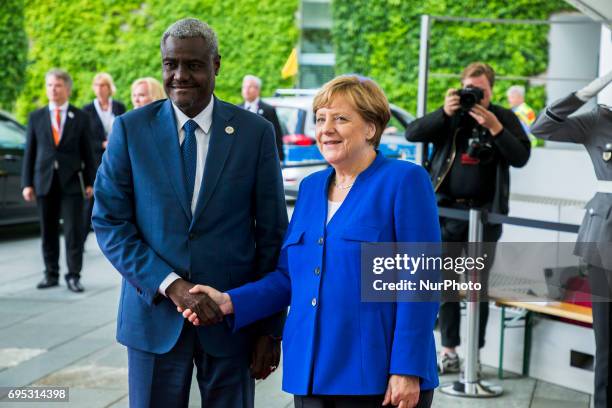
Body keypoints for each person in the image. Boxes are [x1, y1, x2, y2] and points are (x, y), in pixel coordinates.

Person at [182, 75, 441, 408]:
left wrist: (407, 368)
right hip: (310, 373)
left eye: (341, 118)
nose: (326, 128)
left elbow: (421, 280)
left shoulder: (404, 180)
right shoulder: (311, 188)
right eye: (321, 119)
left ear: (371, 128)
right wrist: (228, 302)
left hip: (376, 376)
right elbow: (289, 277)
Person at [92, 18, 287, 408]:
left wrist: (269, 327)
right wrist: (171, 285)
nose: (180, 75)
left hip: (231, 322)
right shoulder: (131, 130)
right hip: (153, 320)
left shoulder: (254, 132)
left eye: (194, 65)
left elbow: (271, 235)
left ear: (215, 65)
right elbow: (110, 222)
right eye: (171, 64)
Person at [405, 62, 530, 374]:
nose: (475, 96)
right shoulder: (452, 115)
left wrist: (495, 128)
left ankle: (474, 354)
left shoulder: (502, 117)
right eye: (469, 90)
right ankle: (448, 351)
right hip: (447, 213)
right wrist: (445, 113)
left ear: (491, 89)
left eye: (481, 91)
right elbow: (412, 132)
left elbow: (521, 157)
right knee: (445, 285)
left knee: (478, 287)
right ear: (459, 89)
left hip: (485, 216)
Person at [531, 70, 612, 408]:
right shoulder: (599, 120)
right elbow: (541, 128)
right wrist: (586, 92)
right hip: (604, 239)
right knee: (607, 342)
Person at [21, 68, 96, 293]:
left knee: (73, 231)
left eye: (58, 85)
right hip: (44, 181)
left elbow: (88, 152)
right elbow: (30, 153)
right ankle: (50, 274)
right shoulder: (36, 117)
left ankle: (73, 275)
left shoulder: (81, 117)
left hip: (71, 183)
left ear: (67, 89)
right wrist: (27, 183)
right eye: (50, 85)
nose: (53, 89)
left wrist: (91, 181)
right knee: (48, 231)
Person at [82, 73, 126, 246]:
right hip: (94, 160)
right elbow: (83, 139)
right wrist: (102, 143)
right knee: (91, 200)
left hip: (115, 159)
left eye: (103, 85)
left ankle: (116, 236)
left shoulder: (119, 107)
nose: (100, 89)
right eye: (97, 85)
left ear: (109, 88)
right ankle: (81, 239)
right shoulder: (87, 110)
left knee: (116, 195)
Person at [239, 74, 284, 161]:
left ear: (257, 89)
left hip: (263, 158)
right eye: (244, 87)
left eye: (249, 87)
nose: (246, 90)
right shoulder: (237, 109)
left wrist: (279, 159)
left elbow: (276, 135)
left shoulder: (268, 110)